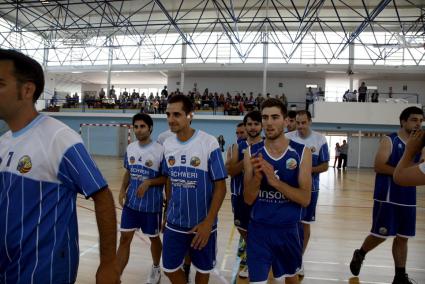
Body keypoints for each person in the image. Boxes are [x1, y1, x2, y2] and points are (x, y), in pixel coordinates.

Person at [0, 49, 119, 283]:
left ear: (27, 90)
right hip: (7, 268)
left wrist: (108, 264)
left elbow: (102, 195)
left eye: (0, 83)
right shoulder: (4, 142)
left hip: (43, 272)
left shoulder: (59, 138)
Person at [349, 106, 424, 284]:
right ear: (403, 121)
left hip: (409, 197)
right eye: (414, 120)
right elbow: (379, 166)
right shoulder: (389, 140)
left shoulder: (420, 144)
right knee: (380, 234)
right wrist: (404, 172)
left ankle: (400, 276)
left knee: (403, 237)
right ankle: (361, 253)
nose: (418, 124)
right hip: (388, 196)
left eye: (420, 121)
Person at [244, 98, 312, 284]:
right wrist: (258, 178)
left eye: (275, 117)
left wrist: (274, 182)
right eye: (265, 117)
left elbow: (305, 199)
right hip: (259, 230)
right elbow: (248, 199)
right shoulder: (251, 153)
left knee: (291, 278)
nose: (269, 122)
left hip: (289, 230)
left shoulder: (302, 152)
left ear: (285, 121)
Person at [162, 94, 227, 284]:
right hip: (175, 222)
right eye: (168, 114)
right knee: (170, 269)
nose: (171, 119)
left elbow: (220, 187)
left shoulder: (209, 143)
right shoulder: (167, 144)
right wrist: (167, 211)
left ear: (190, 115)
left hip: (202, 224)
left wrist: (208, 222)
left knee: (202, 270)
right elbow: (169, 180)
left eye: (177, 114)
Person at [116, 113, 166, 284]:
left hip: (151, 206)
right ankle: (117, 276)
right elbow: (128, 172)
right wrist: (122, 190)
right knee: (124, 239)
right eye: (136, 126)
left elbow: (166, 178)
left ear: (150, 128)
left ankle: (155, 267)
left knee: (153, 238)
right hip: (131, 204)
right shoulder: (131, 148)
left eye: (142, 126)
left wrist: (150, 182)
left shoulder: (160, 150)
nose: (138, 130)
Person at [285, 110, 329, 277]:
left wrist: (305, 170)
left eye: (304, 122)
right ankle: (284, 256)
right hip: (289, 189)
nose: (301, 126)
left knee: (304, 224)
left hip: (311, 190)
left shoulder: (320, 139)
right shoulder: (288, 138)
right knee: (289, 223)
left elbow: (324, 166)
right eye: (298, 122)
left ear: (309, 121)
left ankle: (298, 259)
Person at [226, 111, 263, 278]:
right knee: (244, 230)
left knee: (261, 230)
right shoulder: (237, 147)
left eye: (256, 124)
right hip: (239, 196)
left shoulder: (268, 146)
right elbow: (231, 171)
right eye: (249, 124)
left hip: (262, 197)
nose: (253, 127)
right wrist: (247, 158)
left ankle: (256, 260)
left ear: (261, 126)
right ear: (245, 126)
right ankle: (253, 257)